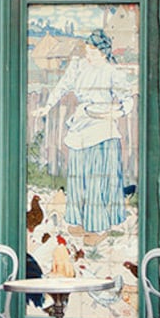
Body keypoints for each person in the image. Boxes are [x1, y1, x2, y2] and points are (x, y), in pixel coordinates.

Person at [42, 28, 135, 234]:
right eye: (87, 50)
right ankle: (77, 220)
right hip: (82, 123)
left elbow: (127, 101)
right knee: (78, 174)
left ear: (103, 52)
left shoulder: (112, 72)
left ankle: (98, 225)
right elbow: (62, 86)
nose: (88, 55)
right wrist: (47, 107)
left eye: (92, 51)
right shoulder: (78, 67)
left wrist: (114, 112)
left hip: (103, 128)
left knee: (97, 177)